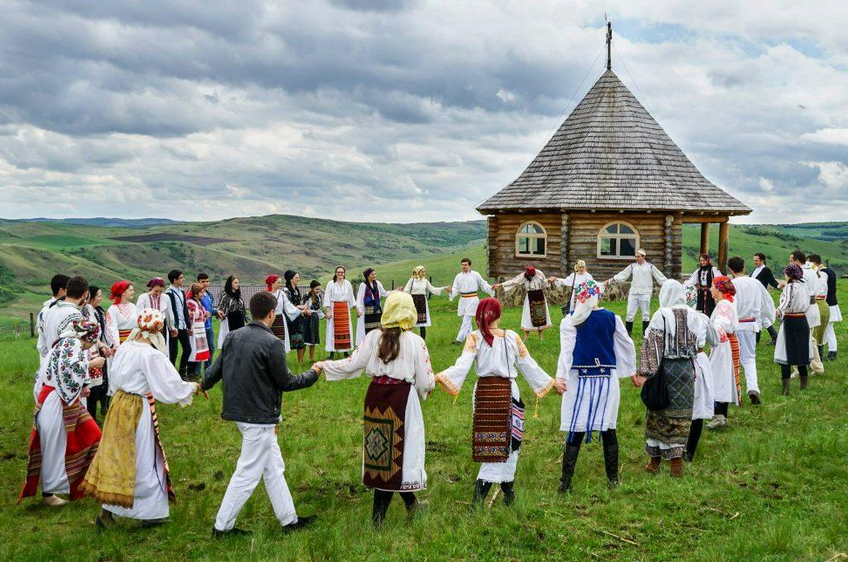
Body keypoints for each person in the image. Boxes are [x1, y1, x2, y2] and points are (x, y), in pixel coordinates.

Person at [203, 292, 320, 537]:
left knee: (273, 468)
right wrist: (313, 373)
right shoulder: (272, 343)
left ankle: (289, 520)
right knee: (247, 473)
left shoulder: (234, 336)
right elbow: (286, 381)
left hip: (241, 412)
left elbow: (216, 369)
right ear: (271, 313)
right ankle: (222, 527)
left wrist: (202, 385)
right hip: (259, 417)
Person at [81, 308, 204, 528]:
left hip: (118, 404)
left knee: (118, 456)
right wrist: (192, 387)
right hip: (137, 408)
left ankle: (108, 512)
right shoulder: (150, 354)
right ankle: (148, 513)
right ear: (157, 330)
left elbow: (117, 379)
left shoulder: (125, 347)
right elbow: (168, 385)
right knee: (144, 458)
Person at [318, 292, 434, 525]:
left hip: (376, 398)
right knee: (400, 454)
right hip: (401, 399)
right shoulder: (414, 342)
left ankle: (411, 505)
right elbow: (425, 381)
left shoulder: (373, 337)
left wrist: (325, 365)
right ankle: (378, 519)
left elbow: (352, 364)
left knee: (382, 453)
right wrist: (427, 389)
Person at [437, 298, 559, 507]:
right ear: (498, 315)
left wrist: (440, 377)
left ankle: (508, 494)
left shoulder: (475, 338)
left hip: (484, 393)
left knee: (495, 443)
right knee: (508, 443)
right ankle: (479, 500)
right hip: (508, 393)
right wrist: (552, 383)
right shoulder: (511, 337)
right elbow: (528, 365)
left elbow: (462, 365)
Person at [555, 280, 635, 491]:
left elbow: (566, 352)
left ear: (580, 297)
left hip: (579, 379)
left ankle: (565, 482)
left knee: (576, 427)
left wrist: (561, 377)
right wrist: (630, 370)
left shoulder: (571, 321)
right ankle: (613, 480)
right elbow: (626, 344)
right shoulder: (611, 318)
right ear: (596, 296)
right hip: (606, 379)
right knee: (608, 427)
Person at [19, 318, 104, 507]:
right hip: (57, 401)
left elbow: (59, 370)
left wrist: (83, 384)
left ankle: (85, 482)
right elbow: (67, 370)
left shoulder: (66, 342)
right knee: (55, 446)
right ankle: (50, 493)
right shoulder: (72, 343)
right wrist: (93, 363)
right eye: (91, 341)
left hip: (62, 399)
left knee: (91, 434)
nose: (89, 347)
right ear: (87, 337)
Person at [633, 280, 707, 477]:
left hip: (664, 370)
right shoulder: (695, 315)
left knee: (658, 413)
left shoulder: (661, 315)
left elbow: (652, 347)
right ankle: (676, 465)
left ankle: (654, 462)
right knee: (681, 417)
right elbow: (701, 344)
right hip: (686, 370)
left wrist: (644, 372)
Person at [728, 257, 776, 405]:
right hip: (750, 325)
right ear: (743, 267)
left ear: (730, 270)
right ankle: (753, 388)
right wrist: (770, 317)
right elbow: (766, 302)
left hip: (735, 325)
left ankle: (733, 392)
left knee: (731, 360)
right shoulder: (755, 283)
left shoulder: (731, 284)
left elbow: (728, 305)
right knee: (749, 359)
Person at [34, 276, 88, 401]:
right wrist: (85, 382)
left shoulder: (50, 310)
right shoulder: (75, 315)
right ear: (85, 294)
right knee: (69, 415)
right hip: (68, 375)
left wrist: (50, 358)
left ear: (67, 290)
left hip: (48, 372)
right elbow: (77, 349)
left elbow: (42, 346)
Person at [682, 286, 719, 463]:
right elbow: (715, 340)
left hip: (680, 360)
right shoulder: (702, 317)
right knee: (697, 405)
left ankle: (677, 446)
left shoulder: (672, 317)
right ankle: (689, 449)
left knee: (680, 402)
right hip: (698, 358)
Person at [605, 249, 668, 336]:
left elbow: (660, 277)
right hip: (633, 293)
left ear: (643, 257)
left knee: (645, 314)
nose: (636, 258)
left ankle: (645, 334)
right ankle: (628, 334)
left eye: (638, 256)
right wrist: (610, 280)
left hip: (645, 293)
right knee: (629, 314)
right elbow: (623, 275)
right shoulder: (632, 266)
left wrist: (670, 284)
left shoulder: (650, 267)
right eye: (636, 256)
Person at [705, 277, 740, 430]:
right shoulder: (726, 302)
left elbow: (723, 325)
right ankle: (720, 415)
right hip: (724, 343)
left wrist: (712, 335)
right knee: (721, 377)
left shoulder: (724, 305)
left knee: (717, 378)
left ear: (719, 289)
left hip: (722, 345)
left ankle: (719, 416)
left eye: (712, 286)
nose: (710, 289)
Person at [774, 264, 813, 395]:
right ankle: (804, 386)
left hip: (791, 321)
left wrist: (778, 310)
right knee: (801, 352)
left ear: (789, 274)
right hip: (802, 320)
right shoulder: (805, 286)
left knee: (785, 353)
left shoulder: (789, 287)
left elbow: (785, 303)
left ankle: (786, 390)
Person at [82, 286, 114, 424]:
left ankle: (93, 417)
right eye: (99, 295)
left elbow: (96, 335)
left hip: (94, 349)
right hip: (87, 351)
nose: (101, 298)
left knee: (96, 386)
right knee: (91, 387)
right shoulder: (86, 311)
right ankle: (90, 419)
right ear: (91, 296)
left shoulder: (95, 311)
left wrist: (101, 345)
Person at [787, 251, 823, 373]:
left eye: (791, 261)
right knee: (808, 338)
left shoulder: (800, 273)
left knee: (800, 339)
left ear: (797, 261)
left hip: (803, 308)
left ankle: (803, 367)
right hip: (812, 306)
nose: (790, 263)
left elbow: (797, 291)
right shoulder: (813, 271)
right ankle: (813, 366)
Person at [494, 266, 552, 340]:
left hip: (540, 296)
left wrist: (549, 281)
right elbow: (514, 281)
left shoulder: (539, 273)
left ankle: (541, 336)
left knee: (541, 315)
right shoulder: (523, 276)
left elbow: (544, 283)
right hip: (530, 297)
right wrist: (501, 284)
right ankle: (526, 337)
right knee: (527, 316)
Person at [449, 258, 492, 344]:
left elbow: (483, 284)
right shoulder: (458, 276)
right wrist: (451, 291)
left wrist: (491, 288)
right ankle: (472, 339)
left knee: (466, 319)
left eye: (465, 265)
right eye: (462, 265)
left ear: (469, 265)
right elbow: (455, 288)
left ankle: (459, 340)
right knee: (465, 320)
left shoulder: (476, 274)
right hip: (463, 299)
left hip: (472, 299)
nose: (463, 266)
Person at [266, 274, 310, 356]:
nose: (280, 285)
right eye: (278, 283)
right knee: (269, 340)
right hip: (268, 320)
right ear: (272, 283)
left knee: (280, 341)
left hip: (280, 320)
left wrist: (301, 311)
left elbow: (289, 306)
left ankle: (280, 360)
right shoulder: (266, 294)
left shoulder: (282, 294)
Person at [401, 266, 448, 340]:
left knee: (422, 323)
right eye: (422, 272)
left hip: (422, 302)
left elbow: (432, 289)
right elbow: (406, 290)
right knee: (409, 320)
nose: (424, 273)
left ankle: (422, 341)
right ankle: (407, 339)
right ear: (418, 272)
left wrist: (443, 288)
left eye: (424, 272)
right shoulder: (412, 280)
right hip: (413, 301)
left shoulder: (425, 281)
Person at [36, 273, 70, 373]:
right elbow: (42, 342)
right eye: (69, 290)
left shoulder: (45, 311)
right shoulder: (49, 311)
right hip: (54, 362)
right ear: (61, 291)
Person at [324, 266, 359, 358]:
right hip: (334, 308)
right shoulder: (330, 284)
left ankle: (345, 352)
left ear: (344, 273)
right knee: (332, 331)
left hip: (344, 309)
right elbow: (327, 297)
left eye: (342, 272)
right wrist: (328, 311)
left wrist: (357, 310)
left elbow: (352, 298)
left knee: (346, 330)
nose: (340, 274)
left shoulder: (347, 283)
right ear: (335, 273)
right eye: (338, 272)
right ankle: (331, 353)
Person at [812, 256, 841, 361]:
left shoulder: (822, 273)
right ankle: (829, 351)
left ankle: (832, 352)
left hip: (827, 304)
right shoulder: (830, 271)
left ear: (814, 263)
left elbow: (822, 291)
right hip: (832, 303)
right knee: (828, 329)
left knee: (828, 330)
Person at [166, 270, 192, 378]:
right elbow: (169, 311)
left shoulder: (181, 292)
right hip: (174, 326)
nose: (183, 279)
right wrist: (172, 327)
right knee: (173, 351)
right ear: (175, 280)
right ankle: (171, 374)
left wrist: (189, 325)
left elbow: (184, 309)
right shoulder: (169, 293)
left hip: (182, 326)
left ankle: (182, 371)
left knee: (188, 349)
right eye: (181, 278)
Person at [751, 253, 780, 344]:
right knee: (762, 317)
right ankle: (774, 336)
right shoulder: (755, 269)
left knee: (758, 317)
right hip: (754, 296)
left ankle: (757, 339)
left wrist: (779, 286)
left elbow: (772, 281)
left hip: (760, 297)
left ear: (762, 260)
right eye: (754, 260)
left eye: (756, 260)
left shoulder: (766, 270)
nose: (754, 262)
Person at [356, 268, 390, 345]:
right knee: (368, 330)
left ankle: (378, 345)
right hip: (367, 311)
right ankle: (368, 346)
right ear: (368, 275)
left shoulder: (377, 283)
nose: (374, 276)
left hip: (377, 310)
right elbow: (359, 299)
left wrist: (395, 291)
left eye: (375, 274)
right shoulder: (363, 285)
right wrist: (359, 310)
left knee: (378, 329)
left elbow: (384, 293)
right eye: (372, 274)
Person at [186, 283, 211, 379]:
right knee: (193, 350)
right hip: (194, 330)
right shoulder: (191, 303)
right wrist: (190, 328)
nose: (203, 294)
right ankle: (189, 372)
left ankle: (193, 373)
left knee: (198, 351)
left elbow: (201, 315)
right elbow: (191, 317)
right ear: (195, 293)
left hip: (200, 329)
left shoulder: (198, 303)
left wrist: (206, 314)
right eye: (201, 292)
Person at [136, 278, 172, 344]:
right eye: (156, 291)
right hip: (146, 328)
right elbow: (138, 314)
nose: (158, 293)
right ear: (151, 288)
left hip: (160, 328)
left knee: (160, 347)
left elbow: (169, 313)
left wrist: (172, 327)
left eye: (161, 291)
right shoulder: (143, 297)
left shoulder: (166, 298)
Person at [217, 275, 248, 350]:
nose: (238, 284)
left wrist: (247, 319)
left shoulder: (239, 295)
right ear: (230, 284)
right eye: (235, 283)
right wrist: (222, 315)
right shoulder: (225, 295)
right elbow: (220, 308)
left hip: (239, 320)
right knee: (231, 341)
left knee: (240, 342)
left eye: (238, 282)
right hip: (229, 319)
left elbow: (243, 309)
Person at [105, 281, 138, 351]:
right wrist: (117, 345)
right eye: (131, 290)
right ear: (123, 293)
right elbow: (112, 328)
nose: (133, 292)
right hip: (120, 344)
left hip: (134, 343)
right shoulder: (113, 309)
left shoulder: (133, 307)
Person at [283, 271, 308, 363]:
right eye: (296, 277)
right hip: (290, 318)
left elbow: (299, 302)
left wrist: (304, 307)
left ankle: (300, 361)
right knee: (287, 338)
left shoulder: (296, 289)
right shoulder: (286, 290)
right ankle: (283, 361)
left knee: (300, 338)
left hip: (298, 316)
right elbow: (288, 304)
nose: (298, 279)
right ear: (291, 279)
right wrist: (301, 307)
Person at [197, 273, 218, 370]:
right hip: (200, 327)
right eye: (203, 282)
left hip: (209, 327)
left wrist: (217, 312)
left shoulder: (209, 295)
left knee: (212, 348)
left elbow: (209, 310)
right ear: (198, 282)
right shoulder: (195, 295)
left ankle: (208, 370)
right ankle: (196, 373)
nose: (205, 283)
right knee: (199, 350)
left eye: (207, 281)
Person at [303, 281, 324, 360]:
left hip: (315, 318)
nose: (318, 291)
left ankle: (311, 358)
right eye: (317, 289)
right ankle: (300, 359)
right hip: (307, 317)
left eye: (319, 289)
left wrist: (324, 316)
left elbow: (318, 309)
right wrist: (306, 311)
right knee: (305, 339)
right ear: (312, 288)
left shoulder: (319, 297)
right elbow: (303, 306)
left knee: (313, 339)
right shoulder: (307, 296)